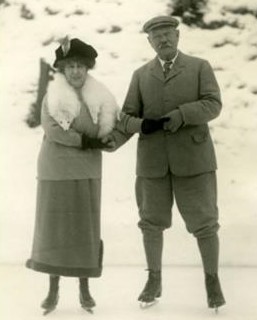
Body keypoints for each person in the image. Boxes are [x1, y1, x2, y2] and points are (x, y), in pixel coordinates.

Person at [107, 16, 226, 310]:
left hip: (194, 162)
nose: (164, 40)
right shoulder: (140, 75)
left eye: (168, 35)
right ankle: (154, 279)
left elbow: (214, 104)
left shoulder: (200, 67)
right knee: (150, 224)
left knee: (205, 224)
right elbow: (127, 117)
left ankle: (213, 282)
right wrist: (108, 141)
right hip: (152, 164)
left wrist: (183, 114)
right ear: (149, 42)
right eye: (157, 37)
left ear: (178, 36)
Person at [26, 37, 119, 314]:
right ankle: (52, 290)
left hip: (88, 171)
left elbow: (112, 125)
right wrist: (85, 142)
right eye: (70, 66)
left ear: (88, 68)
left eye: (80, 66)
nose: (76, 71)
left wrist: (110, 139)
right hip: (55, 170)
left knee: (84, 231)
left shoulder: (101, 97)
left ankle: (84, 289)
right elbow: (53, 129)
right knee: (55, 231)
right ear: (63, 70)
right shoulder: (53, 97)